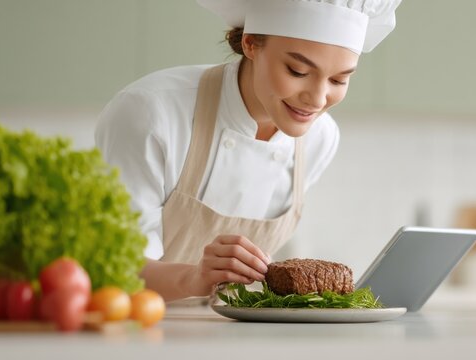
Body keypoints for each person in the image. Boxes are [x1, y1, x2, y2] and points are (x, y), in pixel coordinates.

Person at [95, 0, 402, 302]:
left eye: (340, 79)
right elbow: (117, 268)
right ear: (251, 44)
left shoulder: (320, 137)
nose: (317, 99)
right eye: (297, 71)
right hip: (140, 328)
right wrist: (194, 278)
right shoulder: (151, 112)